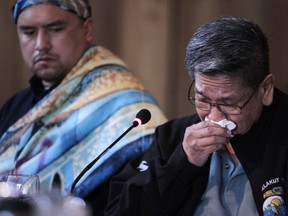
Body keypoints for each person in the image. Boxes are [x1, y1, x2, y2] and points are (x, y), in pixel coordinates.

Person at [104, 17, 288, 216]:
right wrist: (182, 163)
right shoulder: (173, 138)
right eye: (203, 100)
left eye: (229, 103)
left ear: (266, 89)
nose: (214, 117)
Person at [0, 0, 166, 215]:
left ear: (87, 29)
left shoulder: (128, 107)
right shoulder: (15, 106)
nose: (41, 44)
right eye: (28, 32)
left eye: (56, 29)